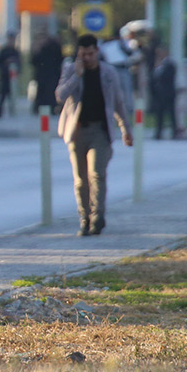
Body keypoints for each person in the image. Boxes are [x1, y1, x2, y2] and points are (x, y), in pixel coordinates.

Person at [56, 33, 133, 237]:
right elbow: (60, 95)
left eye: (90, 54)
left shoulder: (108, 73)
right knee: (81, 179)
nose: (87, 58)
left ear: (97, 52)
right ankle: (84, 218)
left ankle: (97, 217)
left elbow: (118, 103)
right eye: (83, 54)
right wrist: (77, 76)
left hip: (100, 130)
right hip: (77, 131)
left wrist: (125, 129)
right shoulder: (71, 70)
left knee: (97, 174)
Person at [30, 33, 63, 114]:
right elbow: (34, 61)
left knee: (50, 93)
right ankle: (40, 110)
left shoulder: (53, 48)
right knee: (42, 94)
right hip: (43, 76)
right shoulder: (41, 49)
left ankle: (51, 109)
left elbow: (58, 60)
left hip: (51, 76)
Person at [0, 31, 20, 119]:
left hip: (13, 79)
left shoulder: (15, 52)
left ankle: (13, 114)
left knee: (12, 97)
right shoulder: (4, 50)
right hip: (4, 77)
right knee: (2, 97)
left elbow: (19, 64)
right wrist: (5, 64)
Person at [150, 48, 177, 139]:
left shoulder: (170, 65)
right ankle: (158, 132)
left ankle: (175, 132)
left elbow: (169, 78)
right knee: (159, 114)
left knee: (171, 113)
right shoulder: (157, 65)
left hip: (168, 93)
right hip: (158, 94)